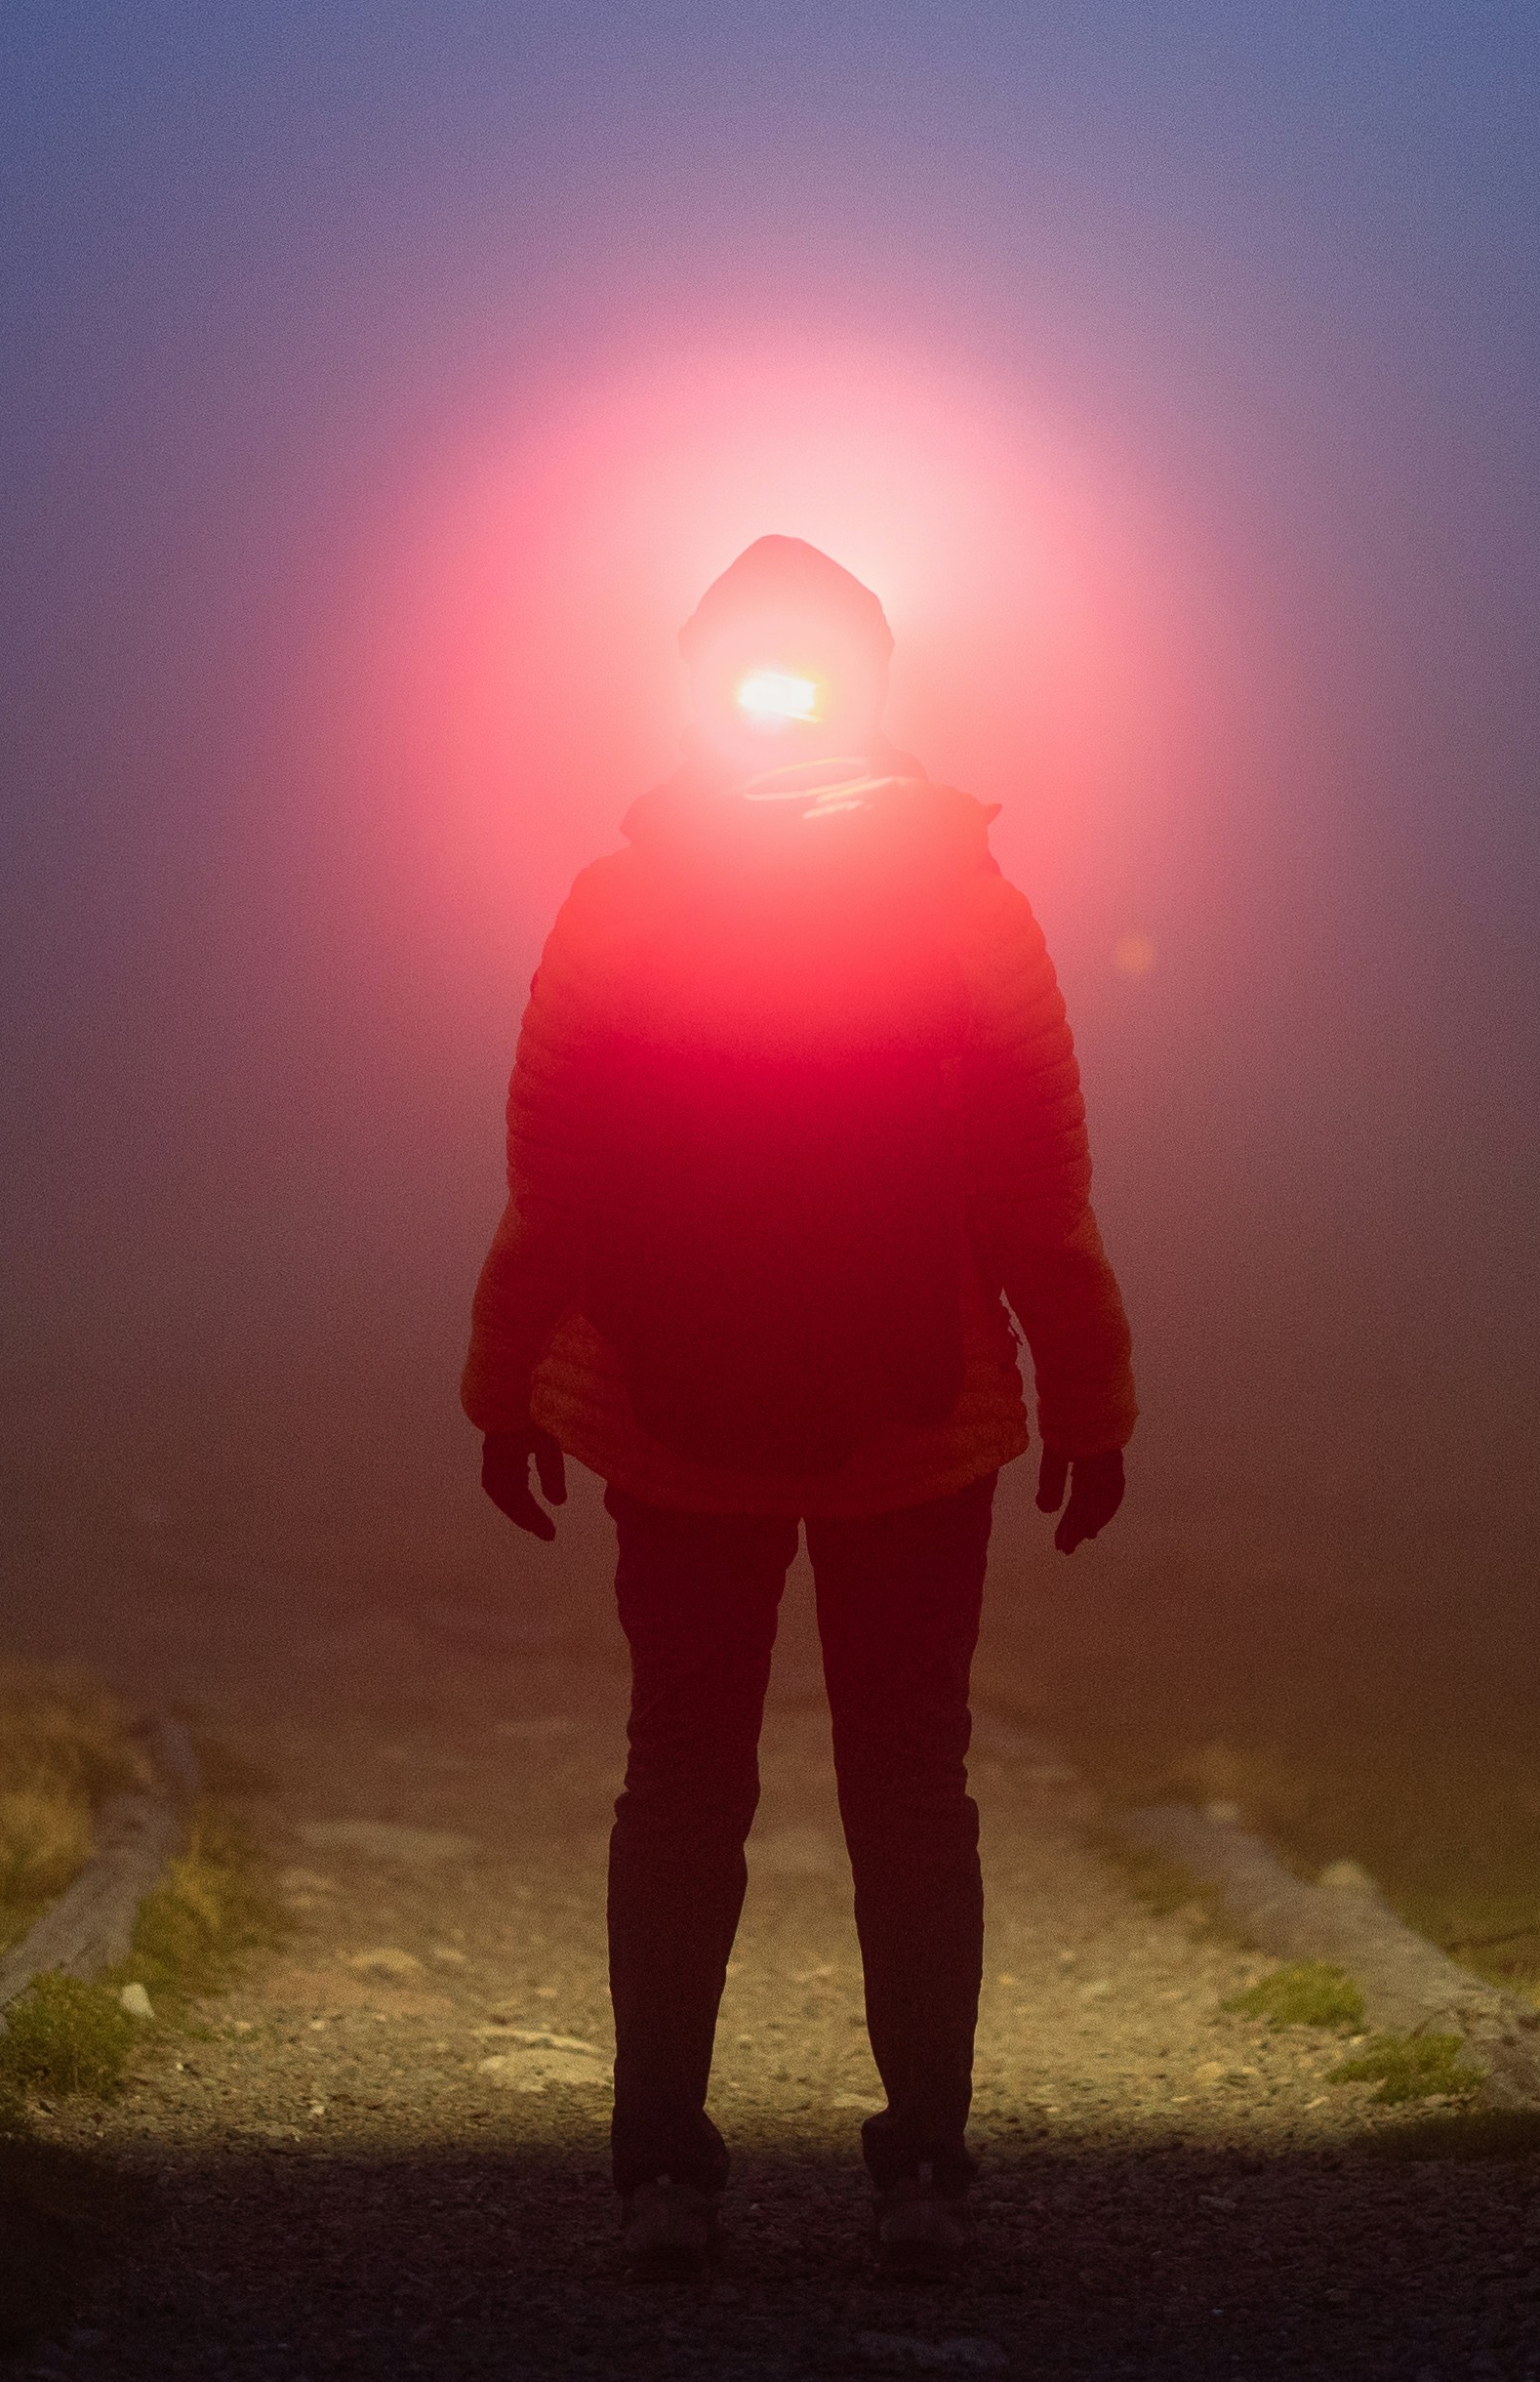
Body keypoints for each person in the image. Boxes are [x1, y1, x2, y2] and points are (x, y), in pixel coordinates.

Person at [462, 532, 1138, 2284]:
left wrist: (505, 1382)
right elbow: (1037, 1191)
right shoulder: (966, 903)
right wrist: (1087, 1396)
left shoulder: (619, 902)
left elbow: (552, 1178)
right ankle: (922, 2171)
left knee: (679, 1782)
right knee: (911, 1789)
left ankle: (661, 2177)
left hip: (663, 1422)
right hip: (922, 1425)